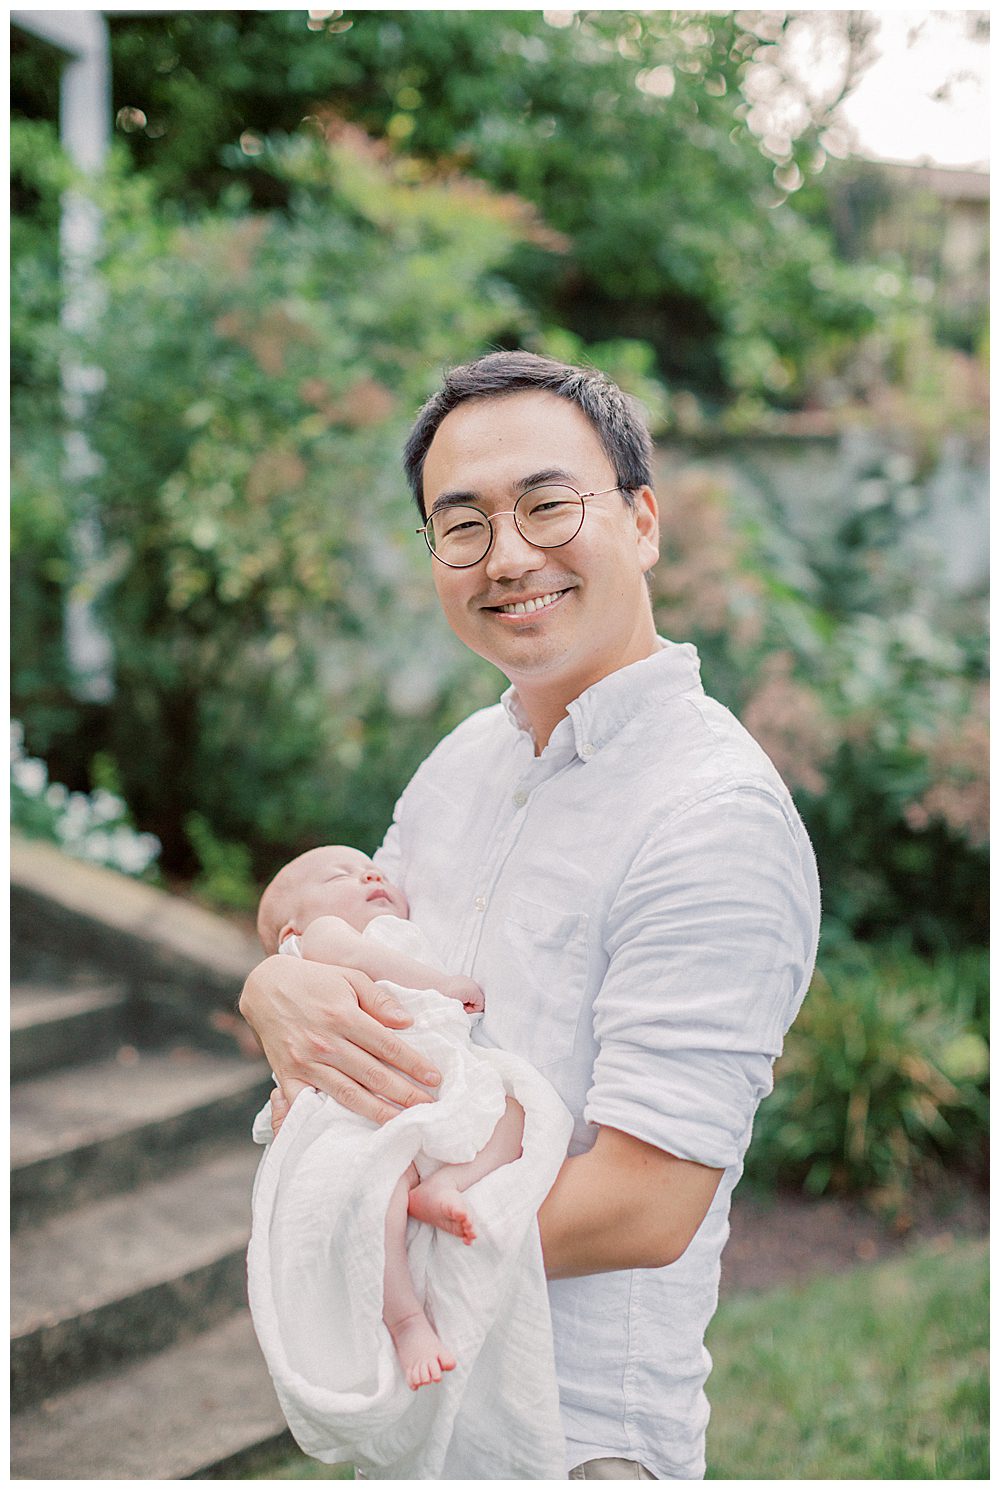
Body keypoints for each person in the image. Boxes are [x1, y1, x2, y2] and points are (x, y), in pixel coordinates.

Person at [240, 350, 821, 1480]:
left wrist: (353, 1235)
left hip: (573, 1438)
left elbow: (647, 1202)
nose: (507, 556)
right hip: (420, 1424)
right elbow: (358, 974)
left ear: (641, 520)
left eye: (548, 505)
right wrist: (274, 982)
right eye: (461, 526)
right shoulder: (465, 760)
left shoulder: (713, 816)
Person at [253, 843, 528, 1391]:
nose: (370, 874)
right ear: (290, 932)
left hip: (432, 1078)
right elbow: (373, 966)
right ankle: (406, 1323)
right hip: (369, 1094)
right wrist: (443, 987)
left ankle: (445, 1185)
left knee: (516, 1113)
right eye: (340, 874)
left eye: (370, 868)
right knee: (374, 1199)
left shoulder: (398, 931)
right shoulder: (323, 937)